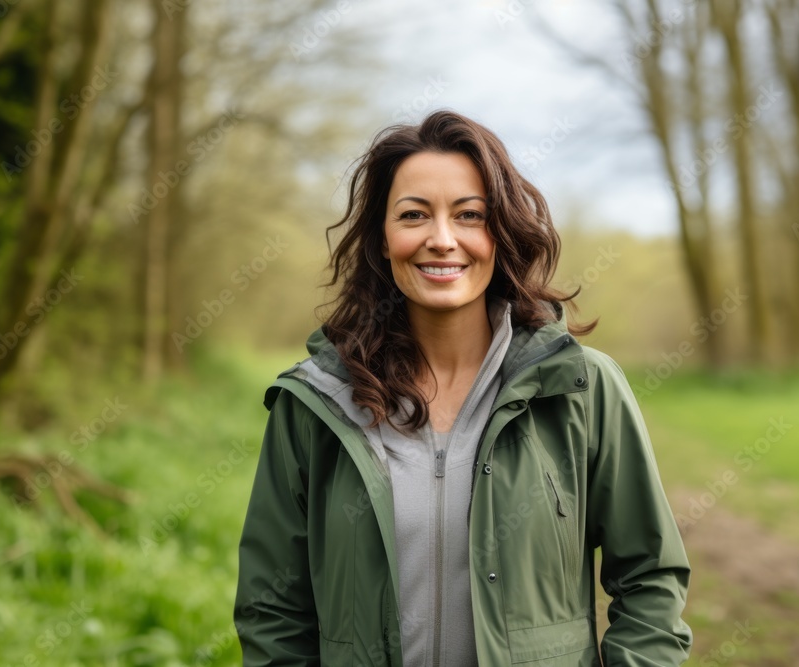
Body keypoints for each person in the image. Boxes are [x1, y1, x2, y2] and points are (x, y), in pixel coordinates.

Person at [233, 109, 692, 666]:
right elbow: (272, 607)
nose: (442, 239)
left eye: (469, 215)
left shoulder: (583, 389)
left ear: (499, 232)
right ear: (383, 238)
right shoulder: (316, 404)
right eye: (413, 215)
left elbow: (650, 578)